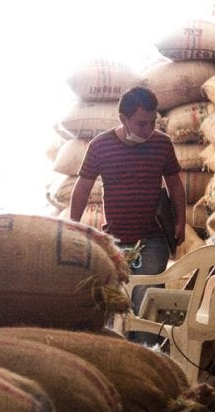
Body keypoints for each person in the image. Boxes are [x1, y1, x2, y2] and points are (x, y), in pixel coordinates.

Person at [69, 86, 186, 343]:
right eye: (142, 123)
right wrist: (71, 226)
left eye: (153, 122)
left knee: (145, 295)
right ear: (123, 119)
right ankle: (122, 350)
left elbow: (175, 183)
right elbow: (83, 187)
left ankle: (145, 355)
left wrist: (181, 222)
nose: (149, 129)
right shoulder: (100, 146)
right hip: (117, 240)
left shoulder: (162, 144)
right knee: (119, 301)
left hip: (154, 238)